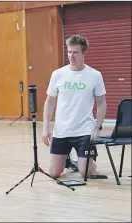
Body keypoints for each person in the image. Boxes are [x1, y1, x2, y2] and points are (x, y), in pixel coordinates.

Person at [42, 34, 106, 178]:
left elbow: (101, 102)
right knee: (53, 173)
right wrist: (46, 127)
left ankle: (85, 161)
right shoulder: (57, 74)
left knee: (86, 172)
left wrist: (98, 126)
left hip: (84, 131)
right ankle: (72, 160)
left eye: (75, 52)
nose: (71, 55)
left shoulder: (95, 75)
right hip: (62, 130)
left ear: (84, 52)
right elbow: (49, 101)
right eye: (69, 51)